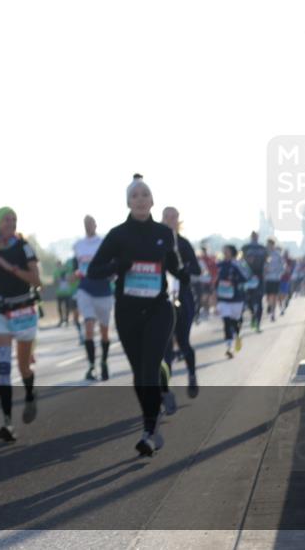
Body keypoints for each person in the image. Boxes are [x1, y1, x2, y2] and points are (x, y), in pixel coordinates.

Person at [87, 175, 182, 456]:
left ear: (152, 201)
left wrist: (188, 275)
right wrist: (119, 265)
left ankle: (149, 431)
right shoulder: (118, 235)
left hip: (159, 309)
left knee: (149, 370)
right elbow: (94, 271)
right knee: (140, 375)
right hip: (128, 311)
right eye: (135, 195)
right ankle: (153, 413)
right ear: (128, 203)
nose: (140, 199)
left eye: (145, 194)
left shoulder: (164, 233)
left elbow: (175, 266)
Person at [0, 207, 42, 439]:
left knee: (23, 367)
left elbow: (36, 281)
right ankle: (7, 423)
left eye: (14, 219)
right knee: (4, 368)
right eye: (6, 219)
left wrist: (9, 267)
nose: (11, 223)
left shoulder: (24, 247)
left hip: (23, 311)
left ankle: (30, 394)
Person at [160, 207, 201, 401]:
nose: (170, 220)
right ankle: (165, 390)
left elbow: (197, 269)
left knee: (183, 341)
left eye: (173, 217)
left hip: (183, 297)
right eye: (166, 217)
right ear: (162, 219)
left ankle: (192, 375)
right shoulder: (157, 242)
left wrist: (184, 268)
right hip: (163, 299)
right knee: (166, 346)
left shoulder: (183, 244)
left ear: (178, 220)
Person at [73, 215, 115, 381]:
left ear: (96, 225)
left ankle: (104, 362)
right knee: (88, 327)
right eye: (85, 223)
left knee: (104, 331)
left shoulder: (104, 243)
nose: (88, 226)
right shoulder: (78, 245)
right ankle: (91, 366)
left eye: (90, 223)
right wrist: (75, 274)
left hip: (103, 290)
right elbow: (77, 267)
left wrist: (111, 273)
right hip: (85, 289)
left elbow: (112, 264)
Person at [216, 245, 249, 358]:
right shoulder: (219, 264)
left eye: (227, 250)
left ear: (232, 252)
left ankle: (237, 335)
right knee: (226, 321)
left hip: (236, 298)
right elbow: (214, 278)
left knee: (235, 322)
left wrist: (234, 280)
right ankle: (229, 347)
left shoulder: (239, 264)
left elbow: (246, 277)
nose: (225, 252)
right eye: (224, 250)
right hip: (223, 298)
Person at [241, 232, 267, 332]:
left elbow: (266, 262)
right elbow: (241, 260)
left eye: (255, 236)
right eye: (253, 236)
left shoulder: (262, 248)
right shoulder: (245, 247)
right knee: (248, 301)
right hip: (248, 277)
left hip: (259, 277)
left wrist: (265, 271)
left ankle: (258, 324)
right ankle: (253, 316)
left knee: (259, 301)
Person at [263, 239, 284, 322]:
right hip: (267, 278)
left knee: (274, 296)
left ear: (273, 245)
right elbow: (263, 265)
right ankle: (269, 305)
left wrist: (279, 274)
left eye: (270, 245)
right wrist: (264, 270)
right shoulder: (265, 254)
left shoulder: (277, 255)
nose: (269, 246)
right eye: (268, 245)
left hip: (275, 278)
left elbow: (282, 267)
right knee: (268, 297)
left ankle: (273, 314)